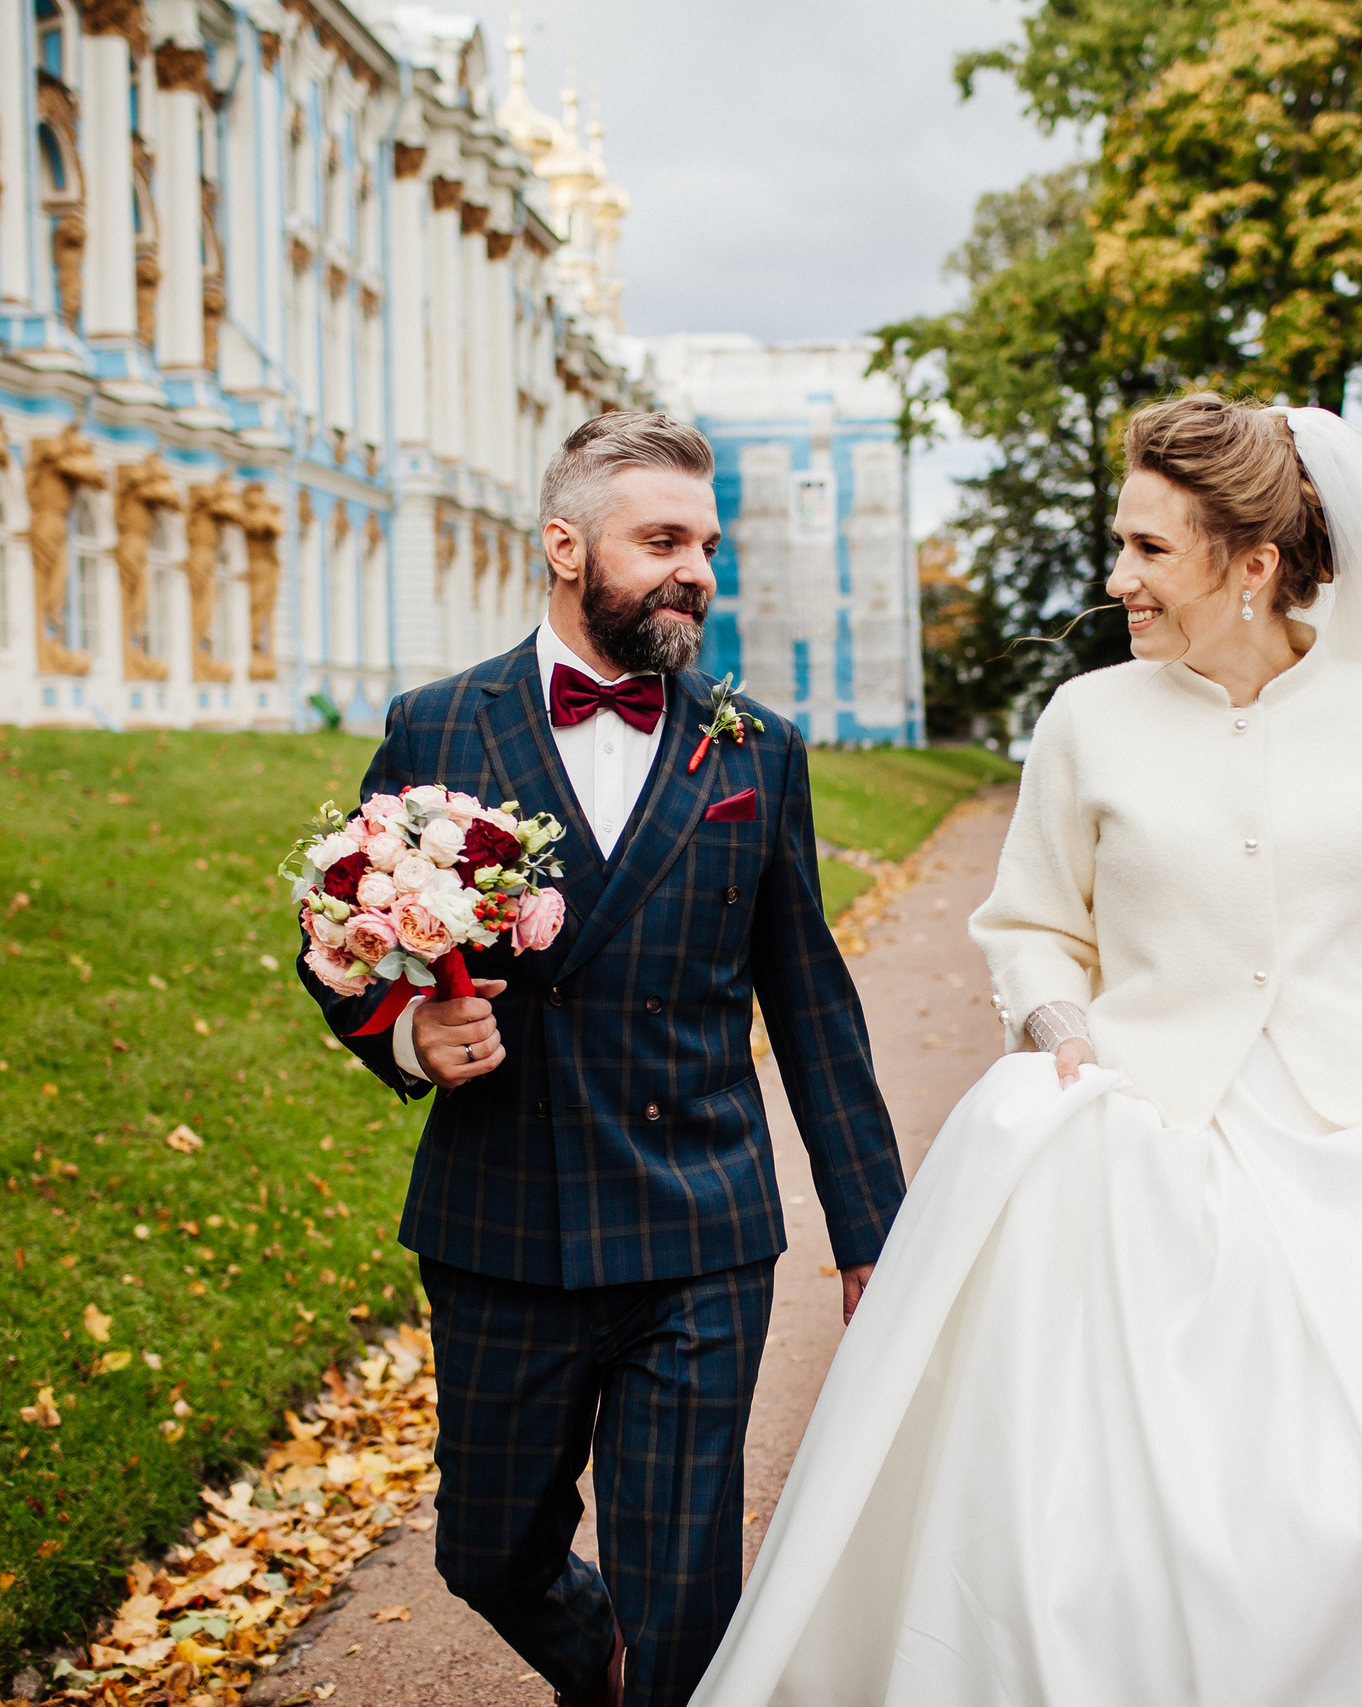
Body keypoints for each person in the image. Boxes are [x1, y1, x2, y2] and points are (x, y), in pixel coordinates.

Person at [690, 397, 1362, 1706]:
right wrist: (1065, 1044)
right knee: (1129, 1498)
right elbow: (1033, 927)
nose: (1117, 577)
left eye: (1149, 549)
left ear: (1253, 564)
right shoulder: (1086, 720)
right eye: (1121, 543)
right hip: (1144, 1134)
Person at [301, 411, 907, 1707]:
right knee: (488, 1553)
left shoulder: (756, 752)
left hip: (699, 1229)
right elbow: (337, 939)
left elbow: (813, 1007)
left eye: (708, 546)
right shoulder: (437, 726)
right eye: (664, 541)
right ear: (565, 546)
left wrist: (876, 1238)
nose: (697, 572)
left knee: (682, 1592)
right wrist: (408, 1033)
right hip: (502, 1223)